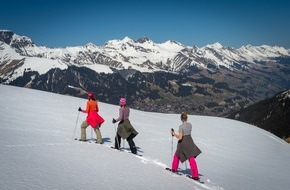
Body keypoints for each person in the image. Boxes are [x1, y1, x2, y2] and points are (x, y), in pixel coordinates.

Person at [170, 112, 201, 180]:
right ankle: (195, 175)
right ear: (186, 118)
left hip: (183, 143)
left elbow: (180, 137)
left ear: (181, 119)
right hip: (190, 142)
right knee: (191, 158)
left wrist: (173, 133)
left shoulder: (181, 127)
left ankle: (174, 169)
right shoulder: (190, 125)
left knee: (177, 155)